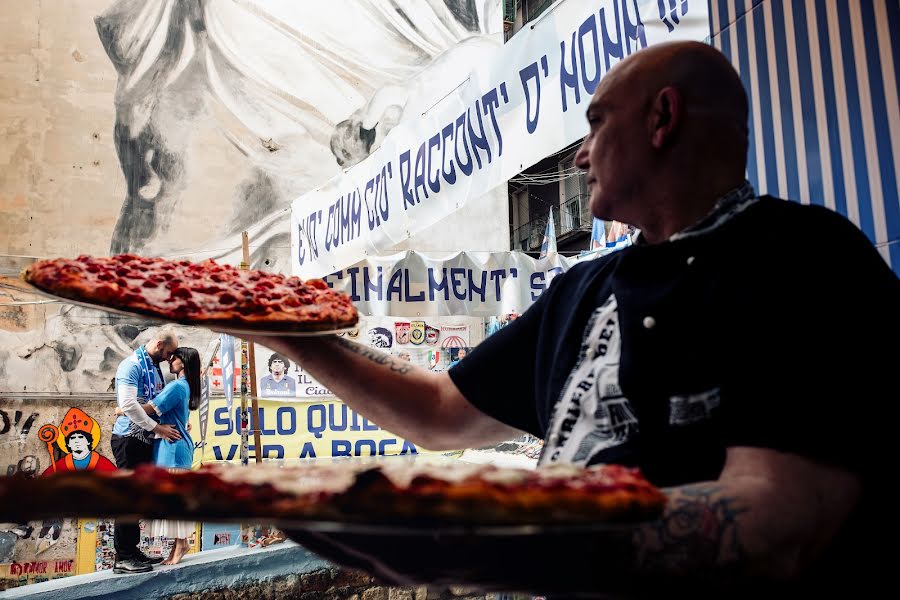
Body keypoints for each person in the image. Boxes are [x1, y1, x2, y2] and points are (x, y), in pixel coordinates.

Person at [254, 41, 899, 597]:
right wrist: (277, 328)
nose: (579, 157)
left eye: (596, 123)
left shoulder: (800, 257)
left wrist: (500, 542)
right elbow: (437, 408)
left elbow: (779, 520)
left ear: (662, 118)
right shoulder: (582, 290)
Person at [121, 347, 200, 565]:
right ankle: (179, 544)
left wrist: (123, 409)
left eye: (173, 357)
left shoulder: (176, 386)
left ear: (183, 362)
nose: (169, 360)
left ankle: (181, 543)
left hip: (171, 449)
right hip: (176, 447)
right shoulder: (185, 386)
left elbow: (151, 408)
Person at [111, 331, 182, 574]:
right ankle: (123, 557)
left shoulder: (153, 367)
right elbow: (128, 404)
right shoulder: (131, 365)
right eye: (168, 353)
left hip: (144, 440)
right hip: (128, 439)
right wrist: (158, 428)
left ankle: (132, 549)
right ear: (159, 344)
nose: (169, 358)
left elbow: (152, 404)